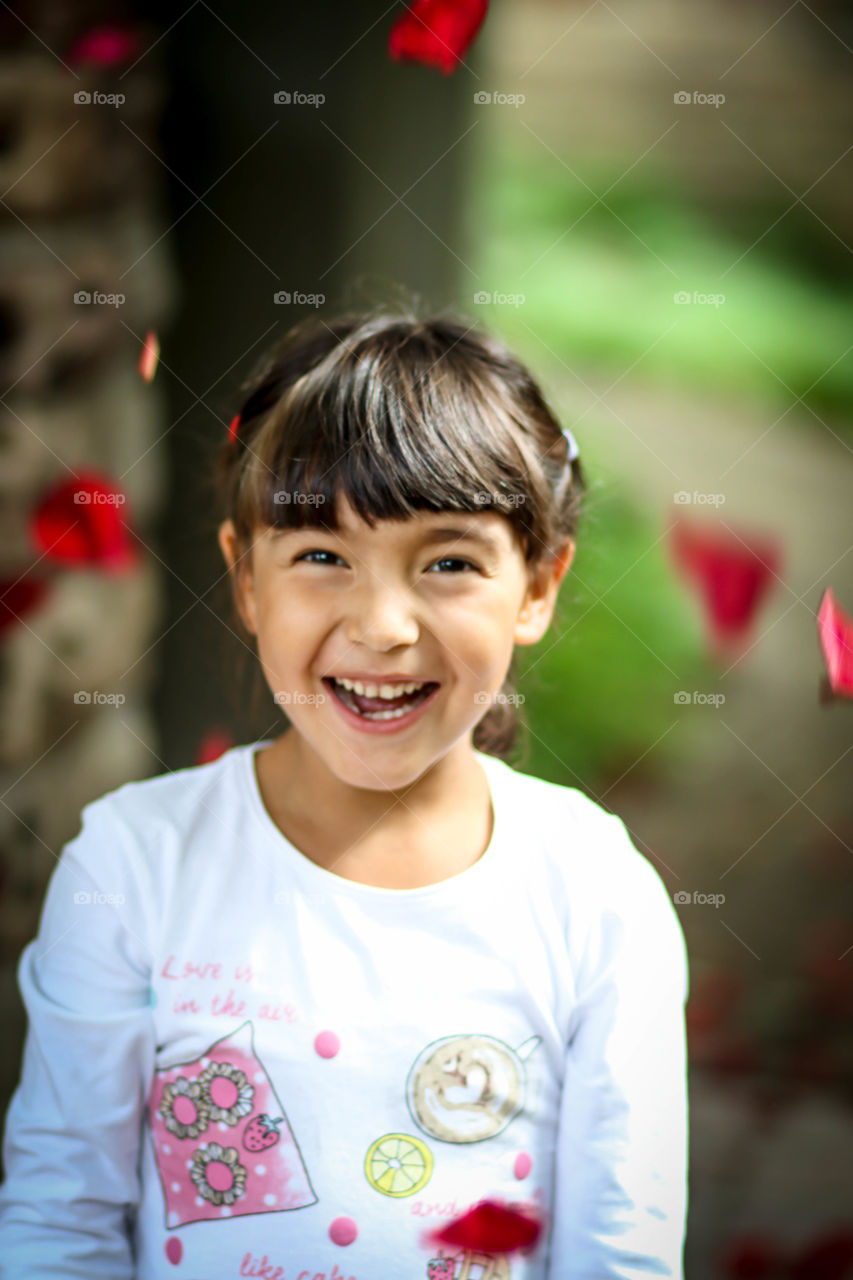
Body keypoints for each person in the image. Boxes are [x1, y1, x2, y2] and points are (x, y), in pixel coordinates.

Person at [0, 303, 689, 1279]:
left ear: (537, 585)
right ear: (245, 578)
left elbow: (621, 1255)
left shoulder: (596, 894)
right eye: (321, 556)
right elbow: (58, 1226)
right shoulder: (131, 867)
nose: (383, 625)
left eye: (449, 562)